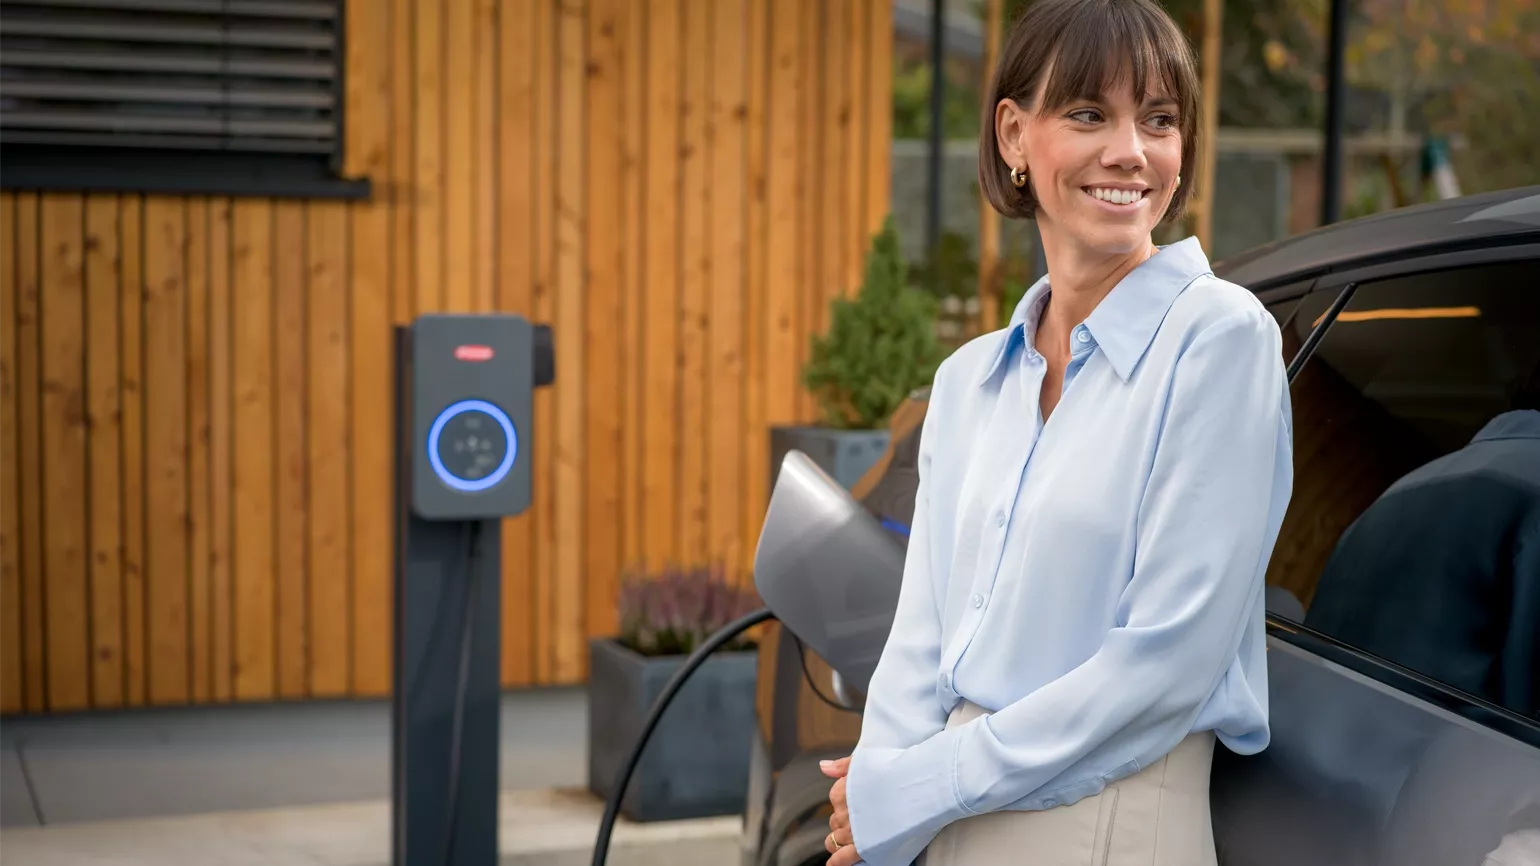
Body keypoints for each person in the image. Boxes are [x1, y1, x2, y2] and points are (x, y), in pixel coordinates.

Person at [816, 0, 1295, 863]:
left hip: (1110, 814)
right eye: (1088, 113)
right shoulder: (968, 383)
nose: (1131, 151)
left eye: (1159, 120)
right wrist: (885, 803)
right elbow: (920, 634)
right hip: (939, 817)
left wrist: (922, 784)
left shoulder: (1219, 340)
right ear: (1012, 134)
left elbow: (1166, 666)